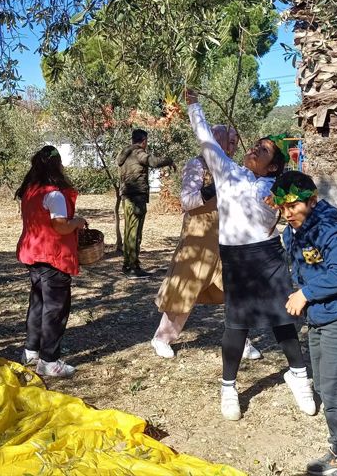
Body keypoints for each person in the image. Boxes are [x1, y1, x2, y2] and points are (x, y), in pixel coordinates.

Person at [186, 90, 315, 421]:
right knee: (237, 324)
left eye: (264, 149)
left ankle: (299, 377)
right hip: (237, 260)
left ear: (272, 165)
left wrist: (277, 197)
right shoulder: (228, 173)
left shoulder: (276, 188)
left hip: (269, 256)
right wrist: (194, 105)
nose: (254, 148)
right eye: (255, 144)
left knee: (283, 319)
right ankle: (228, 387)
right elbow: (207, 142)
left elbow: (290, 211)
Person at [272, 171, 337, 476]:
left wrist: (305, 293)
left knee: (335, 392)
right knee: (326, 390)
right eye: (282, 207)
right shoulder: (294, 232)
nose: (287, 213)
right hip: (321, 319)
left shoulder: (330, 231)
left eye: (293, 205)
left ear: (312, 201)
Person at [151, 132, 261, 362]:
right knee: (184, 288)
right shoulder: (197, 164)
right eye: (228, 141)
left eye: (234, 142)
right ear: (215, 141)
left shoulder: (232, 167)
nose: (232, 146)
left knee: (235, 291)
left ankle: (242, 341)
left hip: (228, 237)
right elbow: (187, 201)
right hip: (199, 238)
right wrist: (213, 188)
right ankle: (162, 338)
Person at [15, 146, 87, 378]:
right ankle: (49, 360)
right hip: (53, 257)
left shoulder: (30, 190)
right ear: (57, 166)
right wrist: (78, 221)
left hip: (33, 255)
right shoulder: (54, 194)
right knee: (55, 309)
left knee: (37, 304)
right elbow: (60, 226)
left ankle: (31, 350)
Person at [116, 129, 176, 278]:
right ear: (144, 141)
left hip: (126, 197)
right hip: (137, 198)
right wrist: (169, 160)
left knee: (129, 231)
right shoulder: (138, 153)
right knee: (135, 233)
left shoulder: (124, 154)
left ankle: (127, 265)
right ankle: (133, 267)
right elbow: (153, 162)